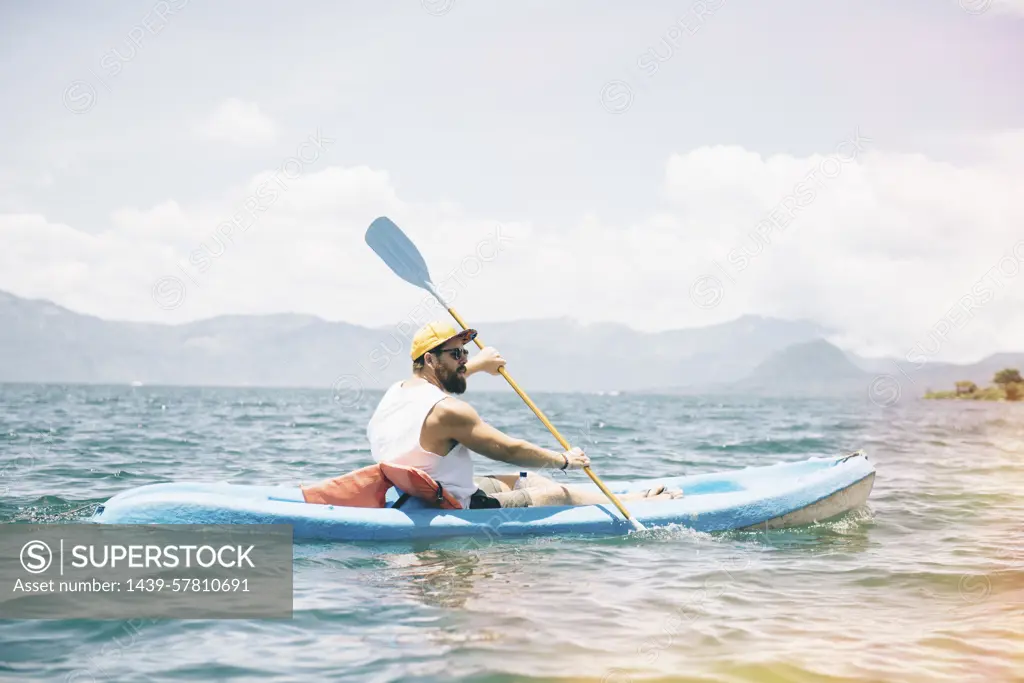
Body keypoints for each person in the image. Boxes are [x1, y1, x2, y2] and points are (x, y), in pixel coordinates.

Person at [367, 321, 683, 509]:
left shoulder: (396, 392)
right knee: (560, 493)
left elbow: (438, 390)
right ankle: (639, 505)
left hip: (425, 493)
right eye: (456, 354)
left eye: (466, 352)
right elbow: (509, 450)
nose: (465, 359)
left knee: (529, 480)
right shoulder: (450, 412)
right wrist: (564, 460)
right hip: (460, 505)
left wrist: (477, 365)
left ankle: (618, 497)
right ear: (430, 359)